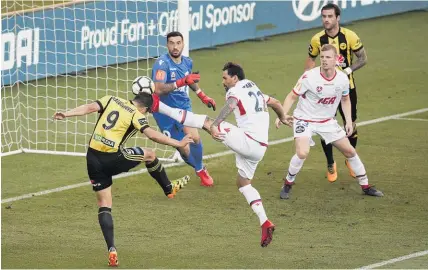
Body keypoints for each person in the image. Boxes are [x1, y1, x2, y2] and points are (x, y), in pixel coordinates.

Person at [149, 62, 293, 247]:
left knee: (206, 122)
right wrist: (282, 116)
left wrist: (216, 124)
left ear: (235, 78)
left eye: (225, 78)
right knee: (243, 183)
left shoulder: (234, 91)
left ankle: (158, 106)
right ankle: (265, 222)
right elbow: (275, 102)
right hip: (260, 148)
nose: (223, 82)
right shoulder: (253, 88)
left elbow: (231, 105)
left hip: (248, 141)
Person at [52, 93, 193, 267]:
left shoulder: (111, 99)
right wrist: (178, 144)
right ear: (145, 109)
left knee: (104, 204)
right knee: (150, 154)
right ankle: (168, 188)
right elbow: (152, 135)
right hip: (113, 158)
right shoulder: (136, 114)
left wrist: (66, 113)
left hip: (92, 158)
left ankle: (112, 249)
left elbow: (89, 108)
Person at [276, 44, 383, 199]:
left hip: (327, 121)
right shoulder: (309, 77)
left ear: (335, 59)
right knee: (302, 152)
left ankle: (366, 186)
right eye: (322, 57)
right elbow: (292, 96)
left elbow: (345, 100)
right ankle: (287, 184)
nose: (324, 60)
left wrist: (347, 121)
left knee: (350, 151)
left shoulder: (342, 79)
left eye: (328, 57)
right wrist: (282, 114)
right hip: (304, 119)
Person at [305, 3, 368, 182]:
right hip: (323, 91)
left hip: (347, 88)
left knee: (350, 124)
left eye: (330, 16)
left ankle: (350, 159)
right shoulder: (317, 39)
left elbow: (363, 58)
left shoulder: (350, 36)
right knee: (324, 126)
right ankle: (330, 163)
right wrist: (307, 81)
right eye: (324, 16)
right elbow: (311, 60)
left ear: (337, 18)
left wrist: (348, 71)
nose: (326, 19)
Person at [151, 31, 217, 187]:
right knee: (182, 148)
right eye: (172, 43)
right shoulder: (162, 64)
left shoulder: (188, 62)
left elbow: (190, 80)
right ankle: (196, 165)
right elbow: (158, 89)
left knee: (194, 137)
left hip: (183, 106)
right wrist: (181, 82)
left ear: (183, 44)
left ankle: (200, 170)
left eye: (178, 43)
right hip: (163, 111)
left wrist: (202, 95)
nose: (175, 46)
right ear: (167, 45)